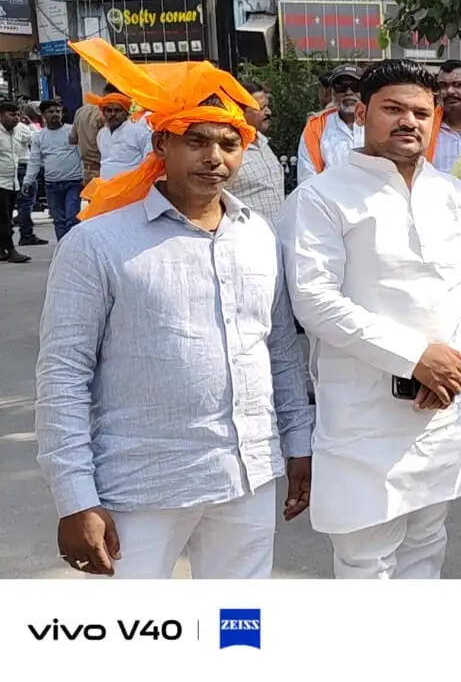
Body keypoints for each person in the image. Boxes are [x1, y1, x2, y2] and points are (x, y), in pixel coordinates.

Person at [34, 39, 310, 578]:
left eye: (230, 143)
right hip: (142, 483)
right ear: (162, 142)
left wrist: (297, 440)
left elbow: (279, 350)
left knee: (239, 627)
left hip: (246, 475)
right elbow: (63, 374)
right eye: (196, 140)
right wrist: (74, 496)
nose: (214, 158)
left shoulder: (258, 236)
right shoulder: (98, 243)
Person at [283, 60, 461, 579]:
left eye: (421, 112)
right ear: (361, 113)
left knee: (427, 544)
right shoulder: (321, 196)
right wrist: (415, 359)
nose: (409, 121)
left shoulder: (453, 193)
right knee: (365, 558)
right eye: (393, 109)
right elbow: (315, 300)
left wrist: (455, 364)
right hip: (365, 411)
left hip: (441, 404)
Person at [23, 99, 84, 240]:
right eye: (51, 112)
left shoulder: (72, 131)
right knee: (59, 221)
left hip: (73, 182)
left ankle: (74, 252)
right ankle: (62, 252)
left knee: (72, 219)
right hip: (52, 185)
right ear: (43, 115)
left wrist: (84, 175)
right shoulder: (39, 136)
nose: (55, 114)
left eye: (58, 111)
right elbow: (34, 160)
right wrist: (28, 181)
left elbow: (82, 154)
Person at [296, 63, 364, 183]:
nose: (348, 92)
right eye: (341, 87)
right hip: (329, 200)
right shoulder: (316, 126)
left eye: (355, 86)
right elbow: (307, 176)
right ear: (332, 93)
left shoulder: (379, 121)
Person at [229, 79, 285, 226]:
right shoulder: (229, 150)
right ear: (240, 112)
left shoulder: (263, 142)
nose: (268, 112)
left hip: (277, 234)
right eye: (261, 108)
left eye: (267, 106)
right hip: (247, 237)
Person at [90, 91, 152, 180]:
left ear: (127, 112)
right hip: (106, 188)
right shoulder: (101, 134)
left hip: (131, 189)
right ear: (103, 113)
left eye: (117, 110)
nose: (113, 114)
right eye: (109, 110)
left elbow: (149, 161)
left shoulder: (139, 132)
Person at [0, 101, 31, 263]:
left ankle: (1, 249)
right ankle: (10, 250)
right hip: (0, 183)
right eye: (12, 115)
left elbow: (34, 137)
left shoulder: (18, 131)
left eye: (18, 115)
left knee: (7, 216)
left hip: (12, 182)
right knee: (4, 219)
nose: (16, 118)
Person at [9, 106, 41, 247]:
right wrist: (32, 125)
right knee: (26, 203)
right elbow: (37, 139)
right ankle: (26, 234)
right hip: (24, 166)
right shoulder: (20, 127)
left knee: (15, 203)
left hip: (14, 168)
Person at [74, 104, 103, 183]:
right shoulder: (105, 113)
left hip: (87, 171)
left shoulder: (81, 111)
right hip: (104, 170)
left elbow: (73, 139)